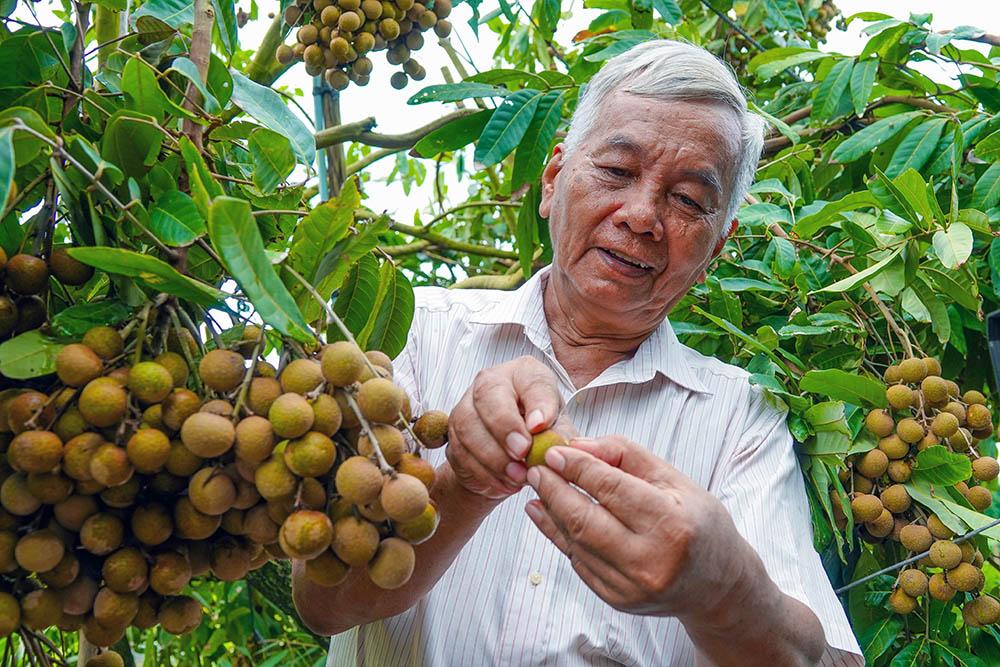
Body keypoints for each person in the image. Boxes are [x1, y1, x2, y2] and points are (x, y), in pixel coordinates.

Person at [293, 39, 864, 666]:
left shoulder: (739, 418)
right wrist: (459, 486)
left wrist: (725, 590)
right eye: (617, 172)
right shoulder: (411, 337)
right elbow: (323, 602)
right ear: (553, 181)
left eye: (689, 202)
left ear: (716, 250)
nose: (643, 216)